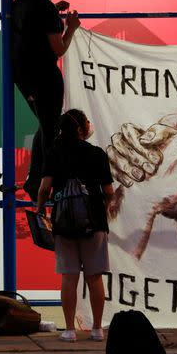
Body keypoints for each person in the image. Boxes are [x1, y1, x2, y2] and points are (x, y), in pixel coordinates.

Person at [37, 109, 115, 342]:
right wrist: (104, 208)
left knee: (69, 277)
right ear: (81, 128)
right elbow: (109, 191)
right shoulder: (97, 154)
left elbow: (44, 189)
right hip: (94, 224)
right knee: (94, 277)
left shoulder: (54, 152)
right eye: (87, 122)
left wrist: (42, 210)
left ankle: (70, 330)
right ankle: (97, 329)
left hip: (64, 224)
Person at [12, 0, 81, 202]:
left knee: (46, 124)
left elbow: (32, 26)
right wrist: (71, 26)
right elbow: (58, 49)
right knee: (51, 129)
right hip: (45, 78)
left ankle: (35, 178)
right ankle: (45, 182)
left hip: (24, 76)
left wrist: (54, 10)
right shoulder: (45, 9)